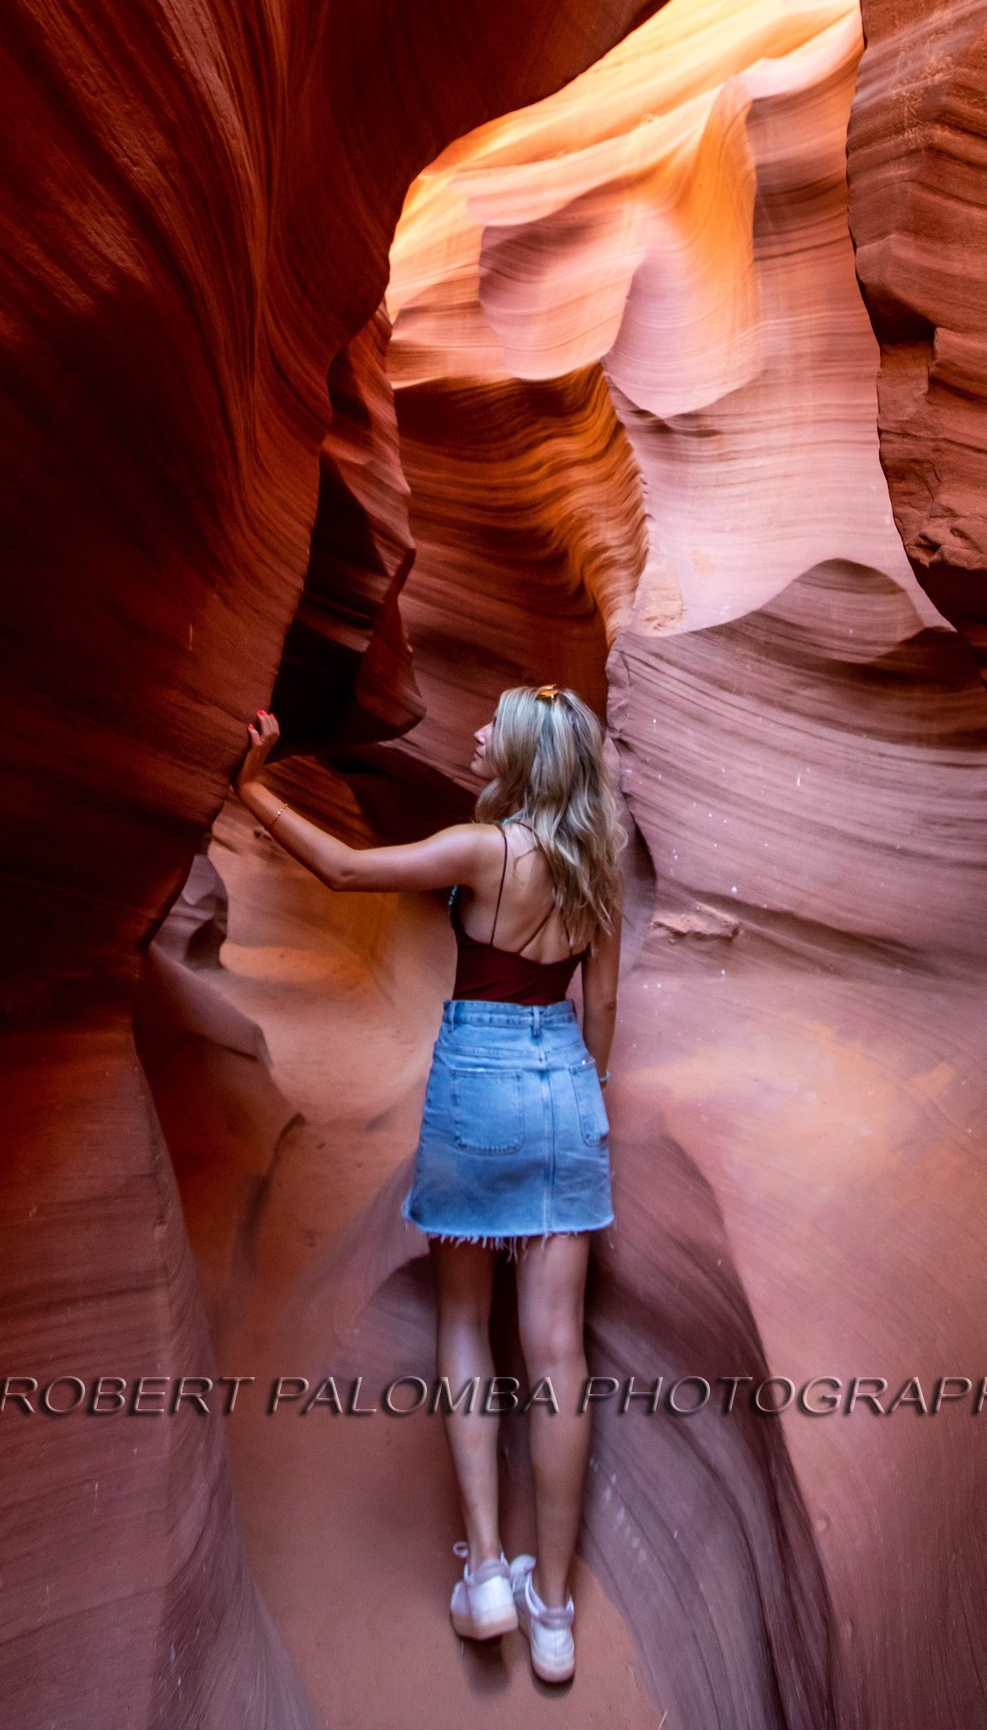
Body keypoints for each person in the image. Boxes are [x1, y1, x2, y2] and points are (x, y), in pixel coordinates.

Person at [229, 682, 623, 1684]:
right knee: (559, 1352)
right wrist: (571, 1090)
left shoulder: (482, 849)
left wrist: (253, 788)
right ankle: (554, 1610)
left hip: (478, 1081)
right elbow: (605, 1013)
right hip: (564, 1082)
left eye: (496, 725)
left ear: (528, 758)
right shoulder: (593, 867)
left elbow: (346, 866)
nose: (478, 732)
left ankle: (486, 1570)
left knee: (463, 1325)